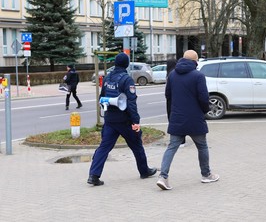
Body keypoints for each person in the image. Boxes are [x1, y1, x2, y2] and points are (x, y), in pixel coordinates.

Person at [87, 52, 157, 186]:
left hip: (110, 120)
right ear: (126, 64)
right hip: (125, 121)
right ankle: (144, 171)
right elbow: (131, 102)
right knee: (136, 145)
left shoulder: (107, 78)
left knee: (104, 147)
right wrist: (136, 121)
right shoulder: (127, 79)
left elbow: (102, 98)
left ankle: (93, 176)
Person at [156, 50, 219, 190]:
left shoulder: (172, 75)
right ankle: (206, 174)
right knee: (202, 146)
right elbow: (204, 98)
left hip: (177, 117)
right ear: (195, 61)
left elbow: (168, 95)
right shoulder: (198, 76)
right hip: (195, 118)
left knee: (171, 147)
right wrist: (204, 110)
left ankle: (163, 177)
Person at [166, 58, 186, 147]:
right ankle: (182, 140)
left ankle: (177, 140)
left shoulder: (170, 74)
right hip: (179, 99)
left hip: (171, 101)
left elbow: (168, 92)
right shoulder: (175, 72)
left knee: (172, 120)